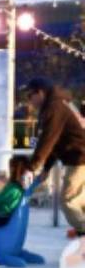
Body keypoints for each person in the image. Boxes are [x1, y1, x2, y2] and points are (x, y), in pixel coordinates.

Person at [24, 78, 85, 238]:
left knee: (68, 199)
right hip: (79, 154)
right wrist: (46, 168)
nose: (29, 101)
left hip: (80, 156)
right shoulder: (60, 102)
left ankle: (83, 232)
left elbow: (48, 139)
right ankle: (81, 228)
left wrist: (32, 167)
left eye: (30, 96)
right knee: (80, 200)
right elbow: (57, 141)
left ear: (40, 92)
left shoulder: (54, 107)